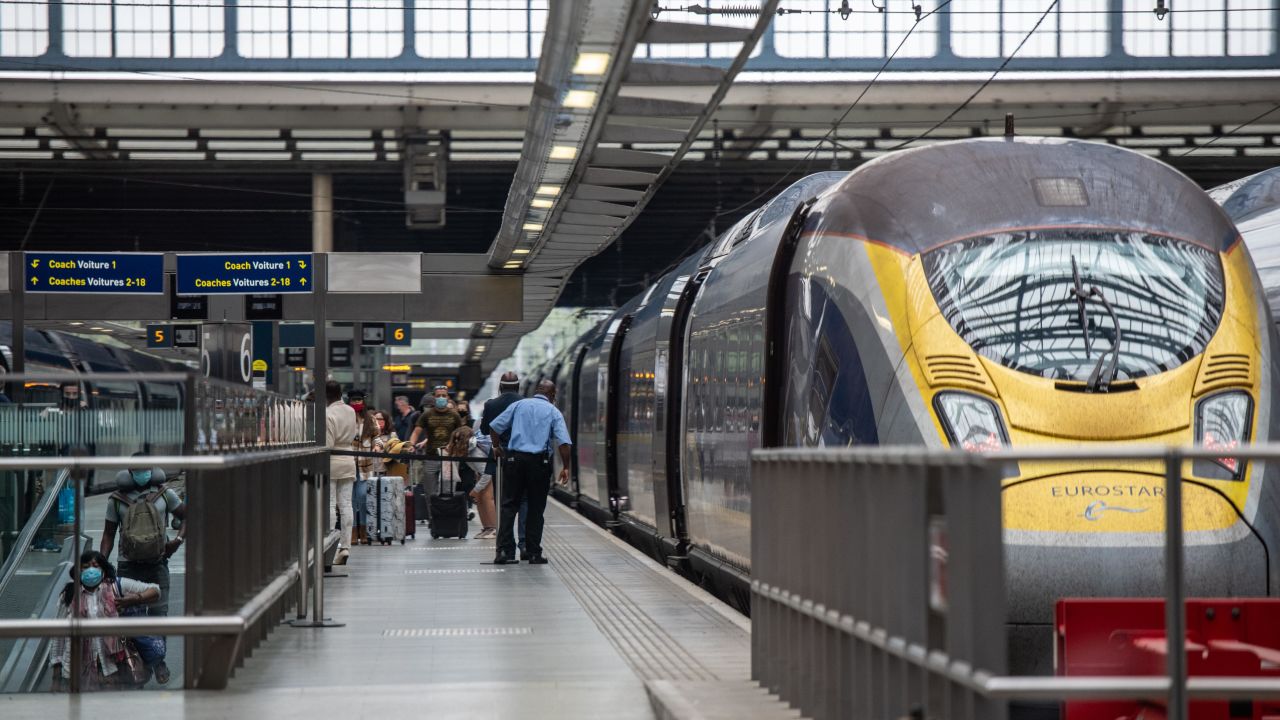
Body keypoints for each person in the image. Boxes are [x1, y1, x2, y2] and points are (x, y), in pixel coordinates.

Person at [489, 379, 572, 565]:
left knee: (509, 506)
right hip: (538, 463)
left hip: (514, 460)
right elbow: (564, 443)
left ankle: (503, 551)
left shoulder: (519, 405)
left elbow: (494, 427)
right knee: (535, 509)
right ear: (552, 395)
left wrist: (496, 447)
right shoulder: (553, 411)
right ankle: (533, 553)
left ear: (537, 391)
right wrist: (566, 467)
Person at [50, 551, 160, 691]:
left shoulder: (116, 587)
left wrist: (133, 599)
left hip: (114, 669)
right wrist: (55, 677)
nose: (91, 570)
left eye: (95, 566)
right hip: (76, 671)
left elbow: (155, 590)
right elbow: (58, 637)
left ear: (103, 570)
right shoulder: (69, 595)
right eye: (85, 566)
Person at [101, 455, 184, 626]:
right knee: (127, 617)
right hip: (128, 565)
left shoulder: (166, 494)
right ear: (130, 472)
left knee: (158, 617)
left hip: (157, 563)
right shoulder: (116, 500)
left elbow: (187, 516)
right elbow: (108, 533)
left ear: (152, 469)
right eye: (138, 470)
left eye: (146, 469)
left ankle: (155, 652)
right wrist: (101, 564)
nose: (142, 473)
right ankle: (132, 653)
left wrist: (178, 540)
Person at [481, 372, 528, 556]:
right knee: (524, 501)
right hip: (523, 457)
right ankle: (524, 544)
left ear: (500, 387)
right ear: (518, 387)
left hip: (501, 459)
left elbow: (485, 429)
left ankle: (507, 546)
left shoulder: (491, 404)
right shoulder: (526, 404)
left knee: (505, 503)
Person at [325, 380, 357, 565]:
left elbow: (328, 444)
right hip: (348, 459)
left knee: (330, 504)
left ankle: (329, 546)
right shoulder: (351, 411)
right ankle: (345, 547)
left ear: (326, 395)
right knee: (346, 505)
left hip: (332, 462)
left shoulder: (328, 413)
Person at [408, 386, 462, 495]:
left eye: (444, 395)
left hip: (448, 458)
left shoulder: (455, 415)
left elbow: (460, 434)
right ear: (434, 398)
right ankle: (431, 512)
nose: (441, 398)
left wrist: (456, 447)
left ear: (448, 397)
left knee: (447, 491)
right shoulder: (427, 415)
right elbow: (416, 432)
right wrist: (411, 444)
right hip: (430, 457)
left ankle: (446, 512)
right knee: (430, 492)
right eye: (438, 396)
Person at [439, 426, 489, 535]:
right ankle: (487, 528)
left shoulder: (475, 451)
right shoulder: (468, 450)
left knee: (487, 500)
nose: (456, 442)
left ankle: (492, 529)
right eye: (455, 439)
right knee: (481, 500)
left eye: (458, 439)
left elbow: (487, 473)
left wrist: (476, 489)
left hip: (489, 475)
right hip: (483, 475)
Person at [350, 408, 380, 546]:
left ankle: (363, 529)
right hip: (348, 463)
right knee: (349, 500)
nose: (356, 403)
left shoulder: (370, 419)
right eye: (354, 400)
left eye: (359, 400)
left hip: (365, 464)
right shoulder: (346, 416)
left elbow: (377, 436)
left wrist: (377, 446)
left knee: (362, 496)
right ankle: (353, 531)